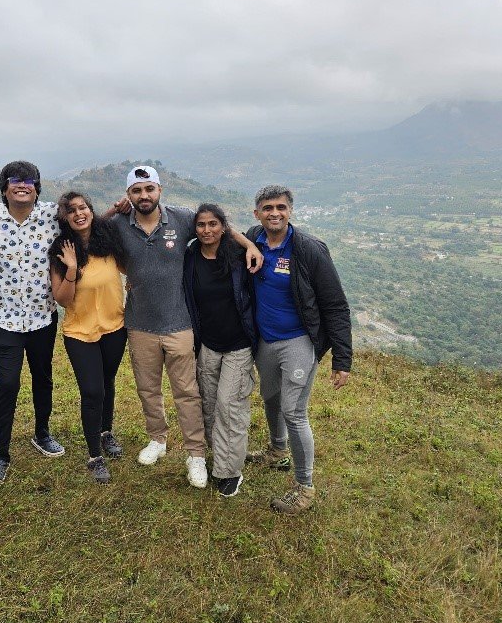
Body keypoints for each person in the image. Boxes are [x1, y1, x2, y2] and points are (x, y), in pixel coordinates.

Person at [107, 165, 262, 489]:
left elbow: (216, 225)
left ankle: (195, 455)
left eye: (149, 189)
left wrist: (248, 244)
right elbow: (89, 230)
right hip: (140, 324)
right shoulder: (120, 224)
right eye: (136, 191)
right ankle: (158, 439)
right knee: (147, 389)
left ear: (160, 190)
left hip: (179, 324)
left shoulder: (180, 218)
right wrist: (112, 209)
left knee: (188, 393)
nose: (143, 196)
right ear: (129, 195)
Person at [245, 184, 352, 514]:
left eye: (281, 207)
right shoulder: (253, 237)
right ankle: (277, 450)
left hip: (298, 341)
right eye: (267, 208)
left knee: (293, 411)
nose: (274, 213)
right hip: (266, 339)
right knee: (270, 397)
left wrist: (342, 358)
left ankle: (304, 487)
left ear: (290, 211)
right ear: (257, 213)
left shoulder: (308, 249)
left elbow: (335, 305)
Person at [0, 161, 64, 483]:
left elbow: (85, 220)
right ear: (4, 187)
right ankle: (1, 453)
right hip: (4, 319)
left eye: (29, 180)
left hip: (42, 317)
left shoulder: (52, 215)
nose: (22, 185)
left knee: (43, 378)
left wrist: (117, 210)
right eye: (14, 180)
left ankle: (42, 432)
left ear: (37, 186)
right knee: (6, 383)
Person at [50, 192, 128, 484]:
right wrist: (71, 268)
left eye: (83, 208)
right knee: (92, 391)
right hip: (79, 332)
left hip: (114, 327)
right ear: (65, 218)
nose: (79, 214)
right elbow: (62, 299)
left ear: (91, 211)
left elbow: (128, 266)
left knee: (107, 383)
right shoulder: (61, 250)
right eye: (72, 211)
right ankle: (94, 455)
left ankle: (106, 432)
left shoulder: (106, 242)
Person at [183, 203, 257, 498]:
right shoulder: (190, 256)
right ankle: (221, 456)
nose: (207, 230)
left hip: (238, 345)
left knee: (231, 406)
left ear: (224, 226)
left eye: (213, 224)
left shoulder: (238, 257)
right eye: (201, 225)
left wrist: (248, 243)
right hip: (208, 345)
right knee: (210, 405)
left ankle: (230, 472)